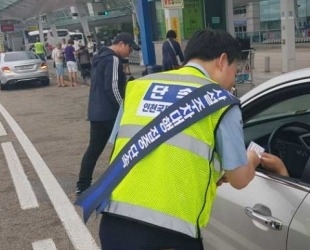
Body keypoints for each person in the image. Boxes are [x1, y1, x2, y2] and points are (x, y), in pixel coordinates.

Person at [90, 28, 281, 250]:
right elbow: (239, 179)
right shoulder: (221, 102)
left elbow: (127, 146)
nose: (233, 80)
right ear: (222, 60)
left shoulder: (138, 87)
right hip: (170, 237)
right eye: (235, 71)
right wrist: (252, 158)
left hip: (114, 225)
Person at [75, 32, 135, 195]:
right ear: (122, 44)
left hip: (96, 111)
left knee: (94, 149)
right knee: (123, 147)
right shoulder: (113, 59)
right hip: (110, 113)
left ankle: (82, 185)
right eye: (130, 48)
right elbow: (113, 87)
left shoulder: (99, 57)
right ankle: (119, 183)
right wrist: (123, 108)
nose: (130, 52)